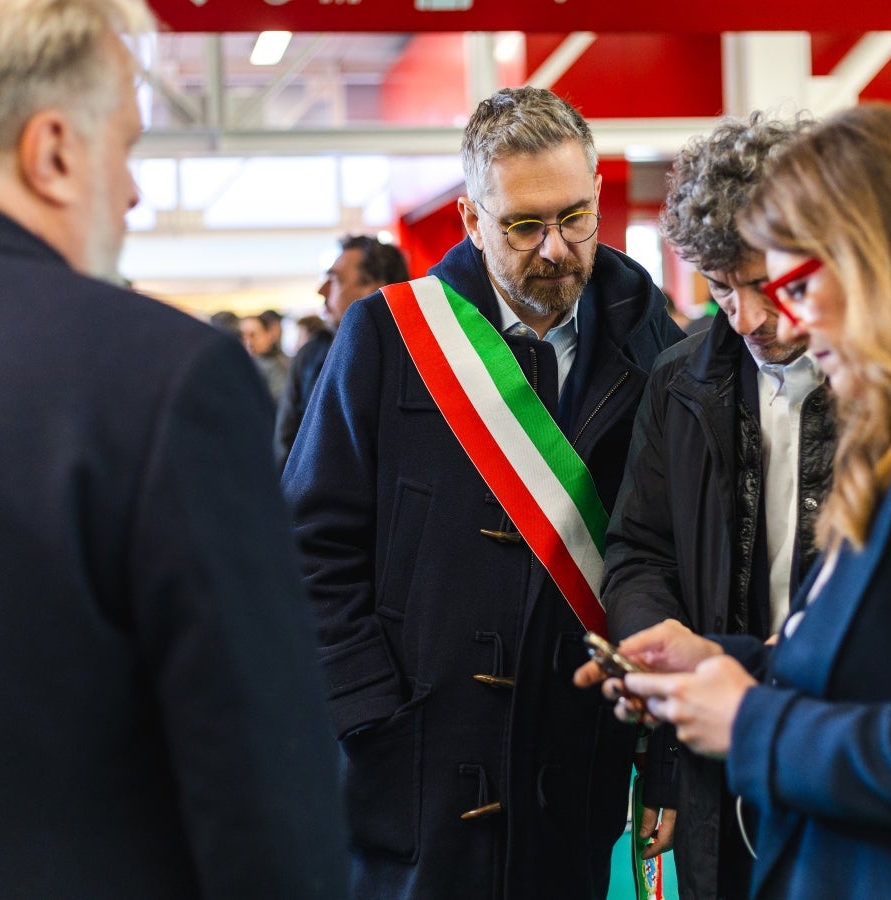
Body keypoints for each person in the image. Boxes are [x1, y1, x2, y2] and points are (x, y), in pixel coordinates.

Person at [589, 103, 891, 899]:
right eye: (731, 292)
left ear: (886, 261)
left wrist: (751, 722)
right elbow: (877, 663)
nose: (778, 319)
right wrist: (722, 658)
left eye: (798, 283)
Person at [0, 0, 348, 896]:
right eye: (126, 148)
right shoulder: (162, 381)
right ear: (52, 151)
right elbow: (265, 797)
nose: (133, 193)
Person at [282, 86, 683, 898]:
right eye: (524, 226)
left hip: (578, 765)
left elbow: (675, 558)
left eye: (575, 218)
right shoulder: (388, 337)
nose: (557, 250)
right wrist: (368, 712)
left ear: (599, 196)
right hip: (413, 767)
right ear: (470, 220)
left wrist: (666, 756)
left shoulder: (660, 350)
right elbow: (304, 544)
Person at [594, 113, 836, 900]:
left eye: (766, 285)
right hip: (718, 760)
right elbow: (639, 549)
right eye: (722, 289)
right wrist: (652, 641)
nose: (749, 319)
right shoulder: (679, 379)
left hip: (847, 746)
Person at [275, 234, 410, 469]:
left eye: (334, 280)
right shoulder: (311, 355)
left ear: (375, 286)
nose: (322, 290)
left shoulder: (414, 353)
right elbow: (286, 444)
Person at [241, 308, 290, 404]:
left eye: (253, 335)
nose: (248, 342)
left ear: (269, 334)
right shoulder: (240, 366)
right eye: (243, 336)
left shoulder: (285, 363)